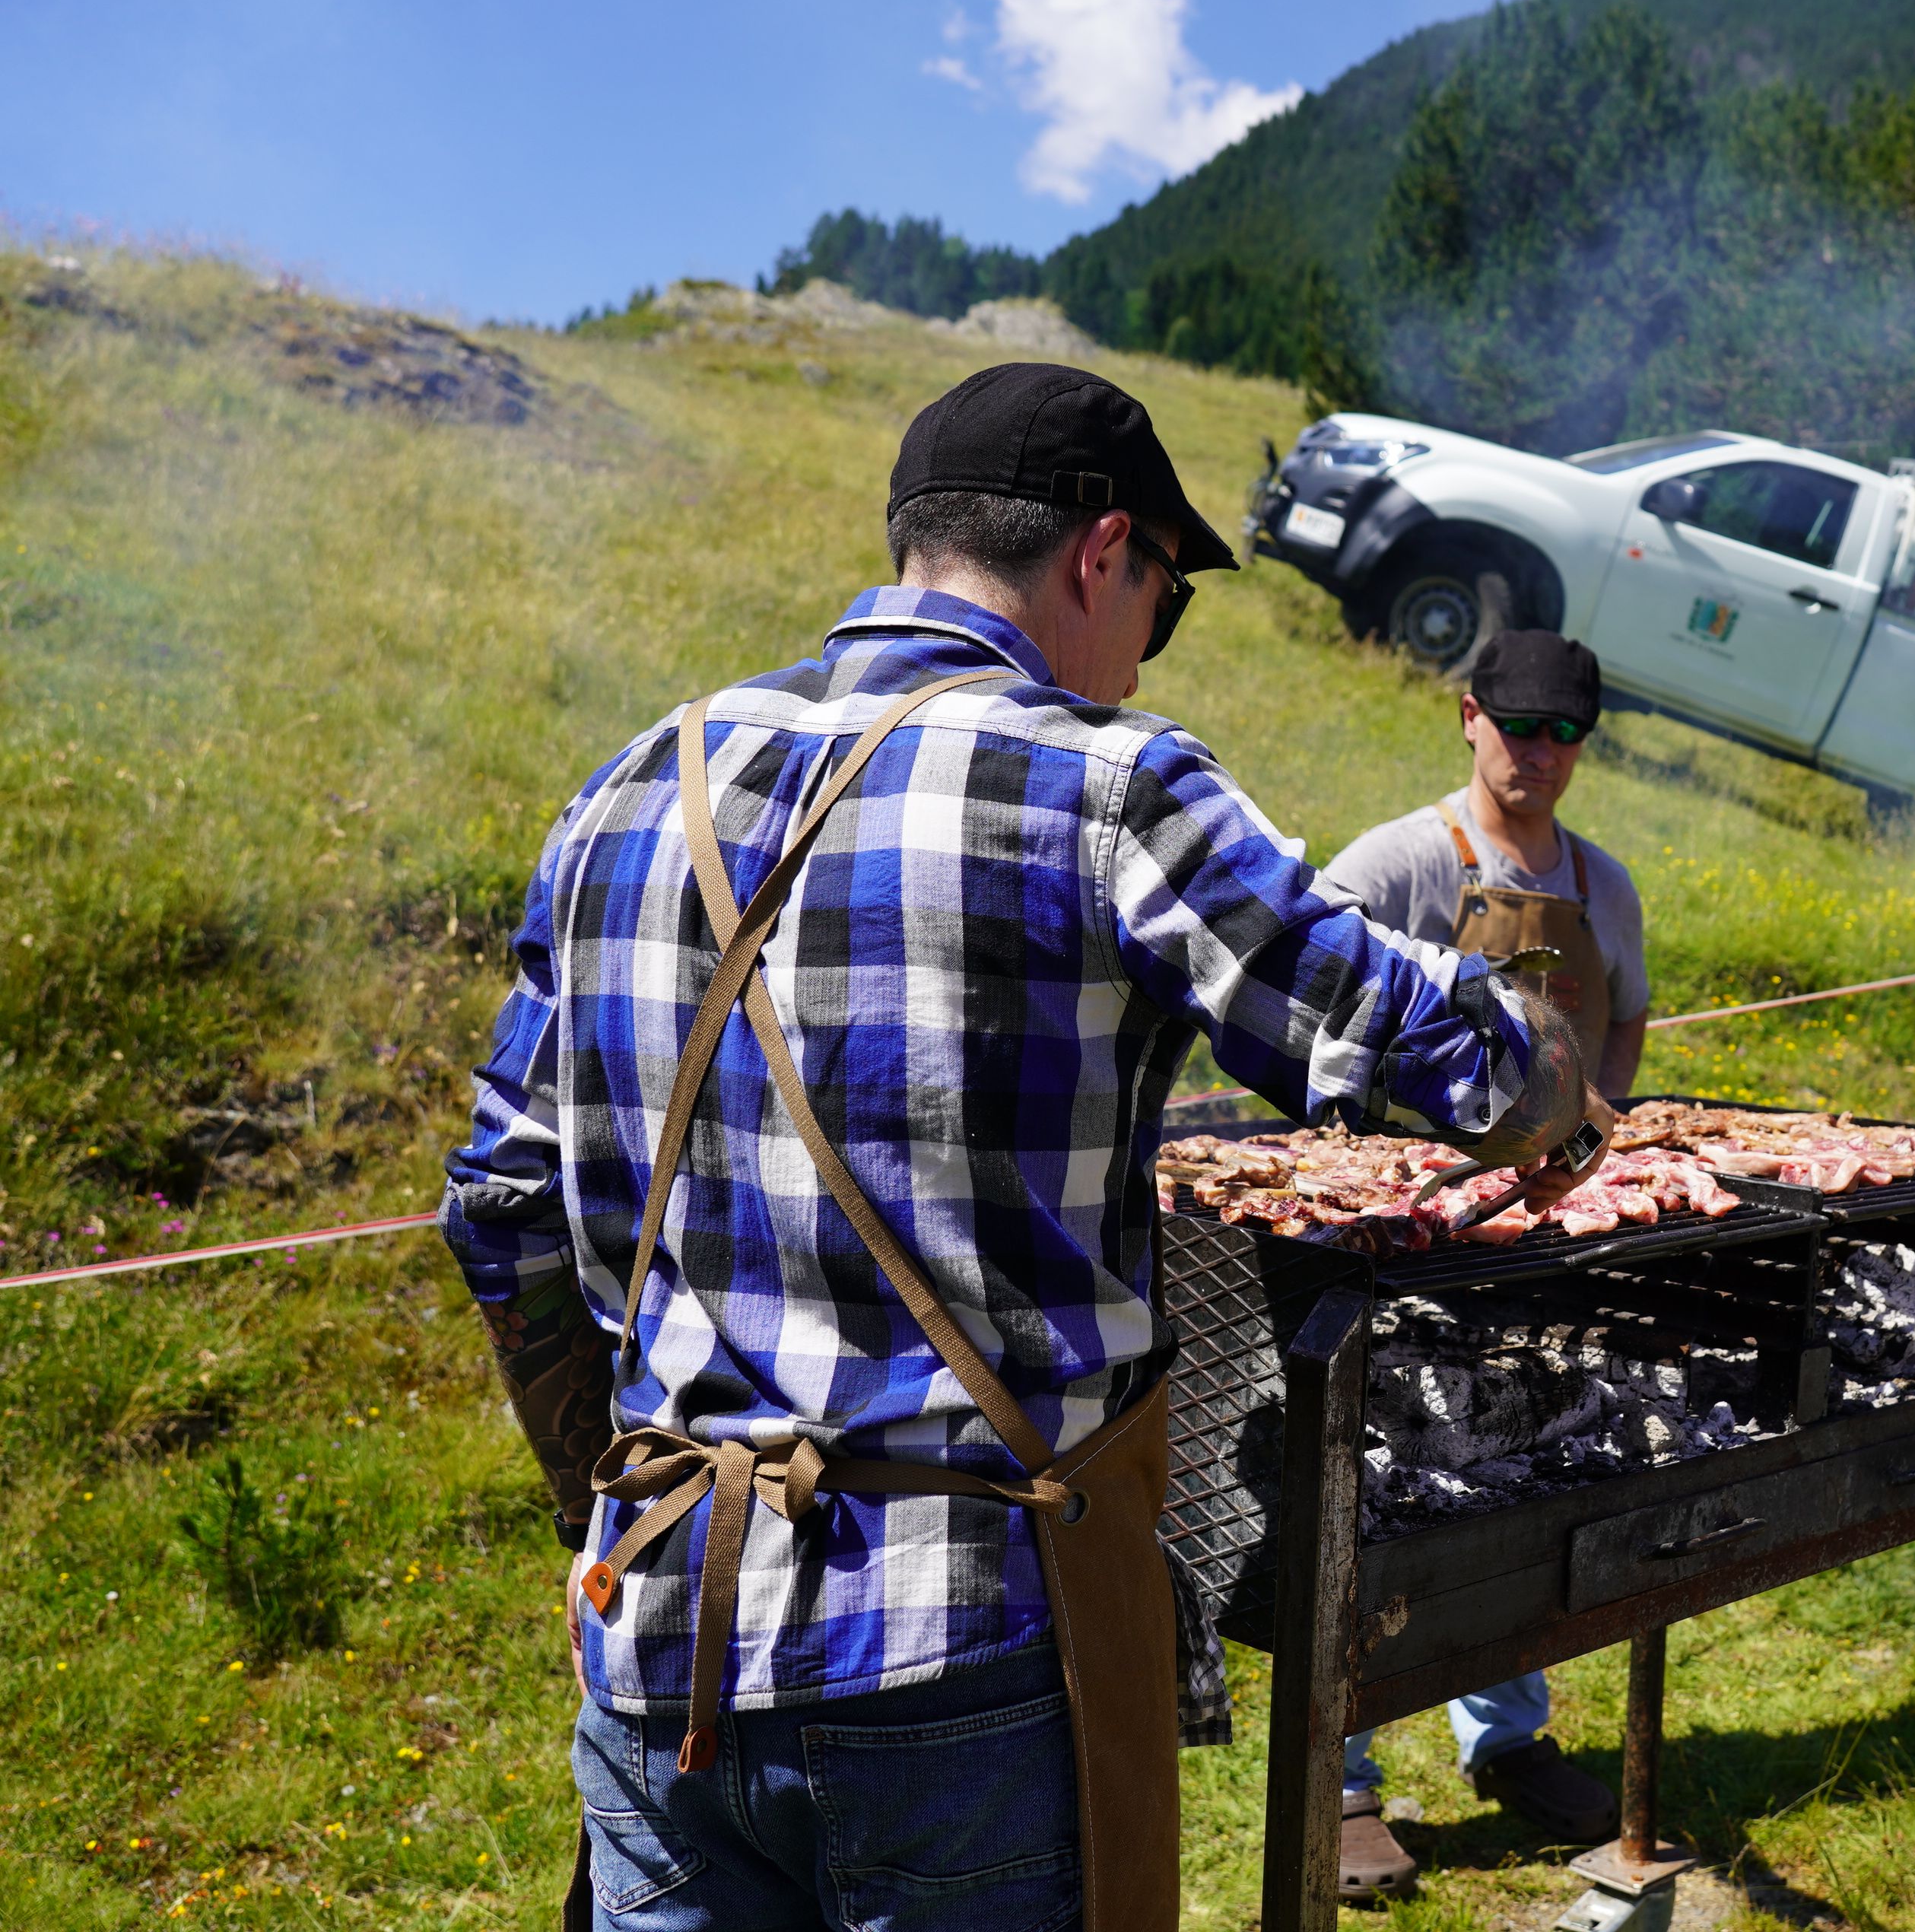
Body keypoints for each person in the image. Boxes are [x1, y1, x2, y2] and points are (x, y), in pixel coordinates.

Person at [441, 362, 1608, 1932]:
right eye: (1164, 600)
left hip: (660, 1634)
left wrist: (627, 1475)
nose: (1143, 649)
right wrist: (1548, 1068)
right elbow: (1395, 1033)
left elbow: (504, 1208)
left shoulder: (628, 786)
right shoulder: (1112, 782)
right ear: (1098, 552)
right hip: (966, 1655)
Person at [1316, 629, 1649, 1899]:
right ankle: (1341, 1783)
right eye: (1518, 725)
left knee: (1523, 1478)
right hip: (1407, 1241)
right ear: (1468, 716)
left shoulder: (1604, 882)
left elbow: (1623, 1014)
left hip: (1541, 1244)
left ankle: (1507, 1736)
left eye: (1565, 730)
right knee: (1372, 1499)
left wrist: (1602, 1115)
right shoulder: (1402, 859)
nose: (1539, 753)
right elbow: (1311, 993)